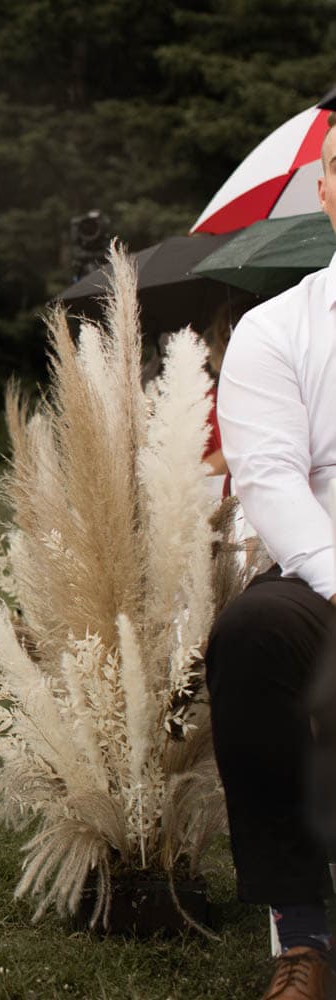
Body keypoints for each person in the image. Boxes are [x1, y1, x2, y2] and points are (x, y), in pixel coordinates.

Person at [212, 118, 336, 1000]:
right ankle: (303, 931)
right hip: (323, 568)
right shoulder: (275, 327)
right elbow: (269, 479)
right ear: (326, 191)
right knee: (253, 634)